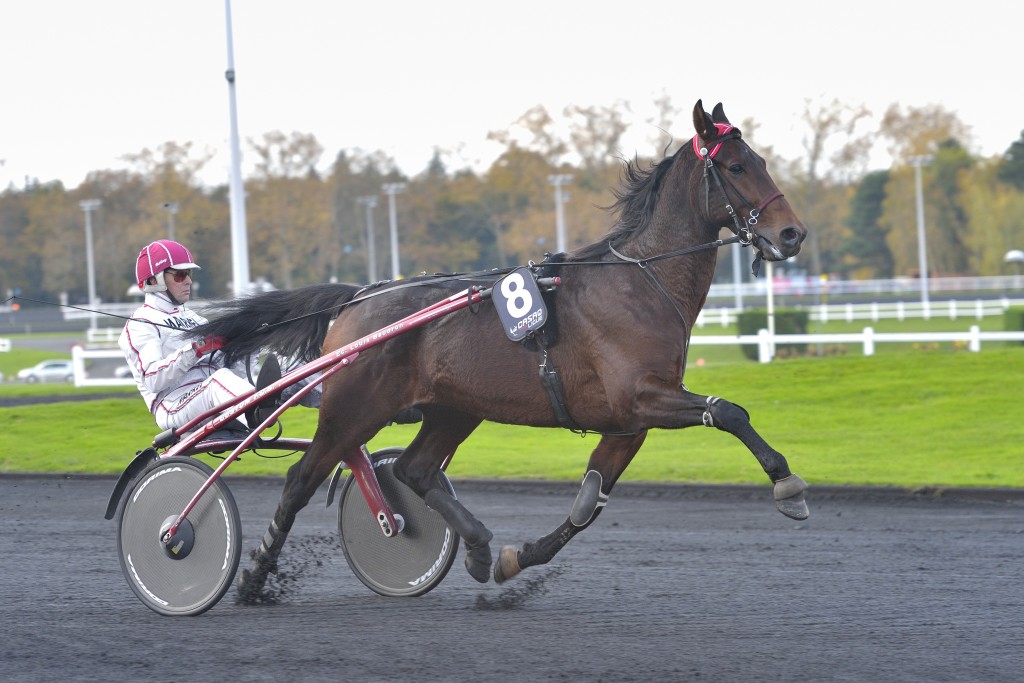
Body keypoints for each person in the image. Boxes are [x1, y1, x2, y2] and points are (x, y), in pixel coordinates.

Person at [118, 239, 262, 433]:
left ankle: (282, 398)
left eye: (189, 274)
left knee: (286, 365)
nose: (189, 281)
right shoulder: (141, 322)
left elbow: (227, 370)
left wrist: (248, 343)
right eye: (180, 275)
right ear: (154, 281)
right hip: (172, 405)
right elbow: (152, 379)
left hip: (209, 394)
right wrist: (195, 349)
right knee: (218, 380)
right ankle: (259, 409)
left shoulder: (195, 319)